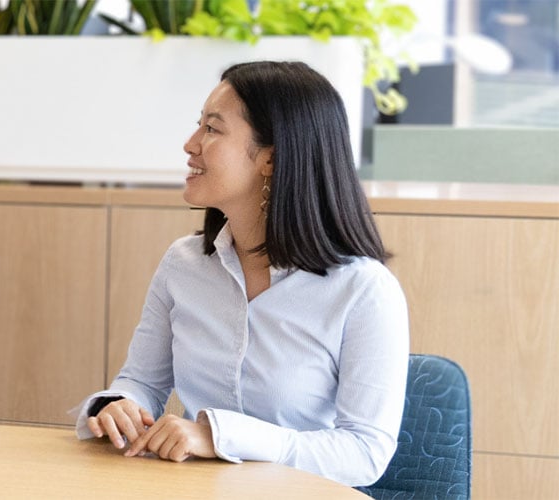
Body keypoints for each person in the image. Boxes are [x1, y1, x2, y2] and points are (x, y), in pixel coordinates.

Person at [77, 61, 408, 487]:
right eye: (199, 126)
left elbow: (364, 453)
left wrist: (221, 438)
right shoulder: (183, 264)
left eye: (212, 129)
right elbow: (142, 382)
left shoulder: (364, 290)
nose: (190, 144)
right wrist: (117, 405)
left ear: (270, 158)